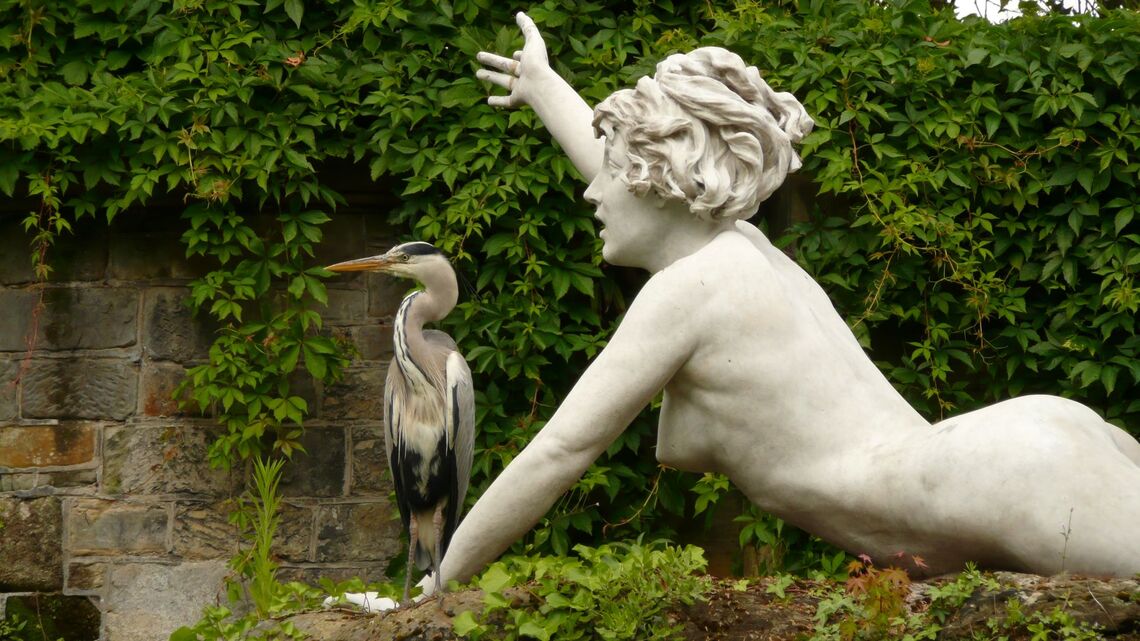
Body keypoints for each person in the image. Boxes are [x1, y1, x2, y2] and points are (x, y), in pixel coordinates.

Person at [420, 12, 1140, 594]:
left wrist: (437, 582)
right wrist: (545, 88)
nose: (591, 190)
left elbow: (559, 452)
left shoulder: (691, 290)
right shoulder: (734, 252)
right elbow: (648, 163)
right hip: (1005, 452)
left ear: (653, 177)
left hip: (1004, 474)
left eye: (611, 171)